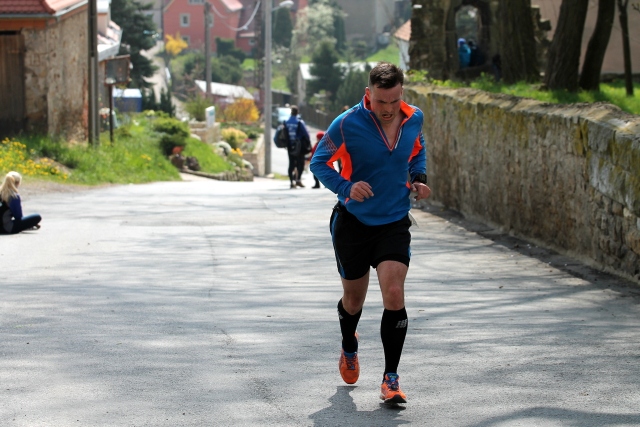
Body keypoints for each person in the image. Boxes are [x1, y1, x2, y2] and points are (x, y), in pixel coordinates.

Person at [310, 62, 431, 404]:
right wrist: (346, 187)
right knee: (354, 300)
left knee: (394, 292)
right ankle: (349, 344)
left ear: (402, 93)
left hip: (394, 221)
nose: (388, 109)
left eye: (394, 101)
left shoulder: (414, 118)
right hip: (353, 223)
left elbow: (417, 151)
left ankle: (391, 379)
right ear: (368, 94)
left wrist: (419, 178)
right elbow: (319, 162)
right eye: (381, 102)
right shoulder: (347, 123)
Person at [284, 105, 310, 189]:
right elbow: (306, 134)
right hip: (299, 146)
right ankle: (298, 180)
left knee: (291, 164)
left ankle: (291, 182)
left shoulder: (286, 122)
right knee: (300, 163)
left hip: (289, 146)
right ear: (297, 112)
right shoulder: (299, 122)